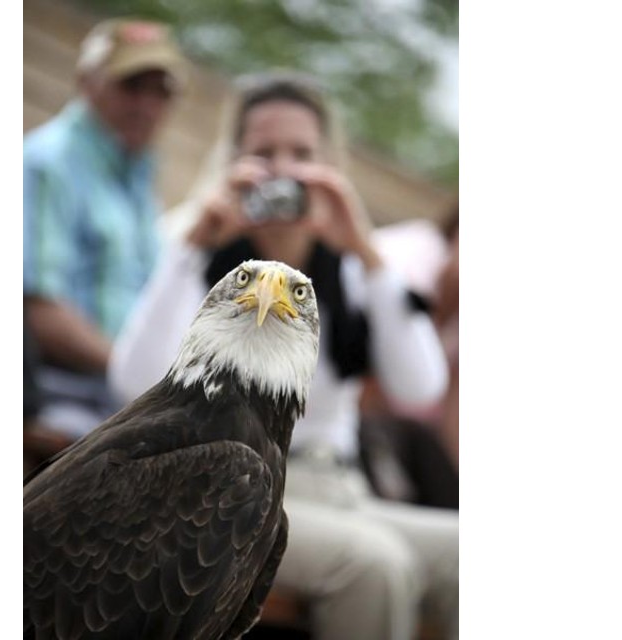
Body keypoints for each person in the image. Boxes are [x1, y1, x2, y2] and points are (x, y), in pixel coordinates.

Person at [110, 71, 459, 640]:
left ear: (329, 164)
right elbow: (132, 384)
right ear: (234, 159)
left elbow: (419, 385)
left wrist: (364, 248)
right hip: (232, 497)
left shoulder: (350, 267)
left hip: (343, 489)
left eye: (302, 154)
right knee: (375, 566)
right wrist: (196, 243)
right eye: (264, 153)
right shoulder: (195, 245)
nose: (283, 171)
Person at [23, 18, 188, 442]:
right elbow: (38, 308)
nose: (147, 105)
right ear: (87, 82)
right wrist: (140, 376)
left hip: (121, 398)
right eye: (132, 85)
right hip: (62, 393)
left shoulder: (138, 179)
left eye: (161, 91)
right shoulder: (48, 163)